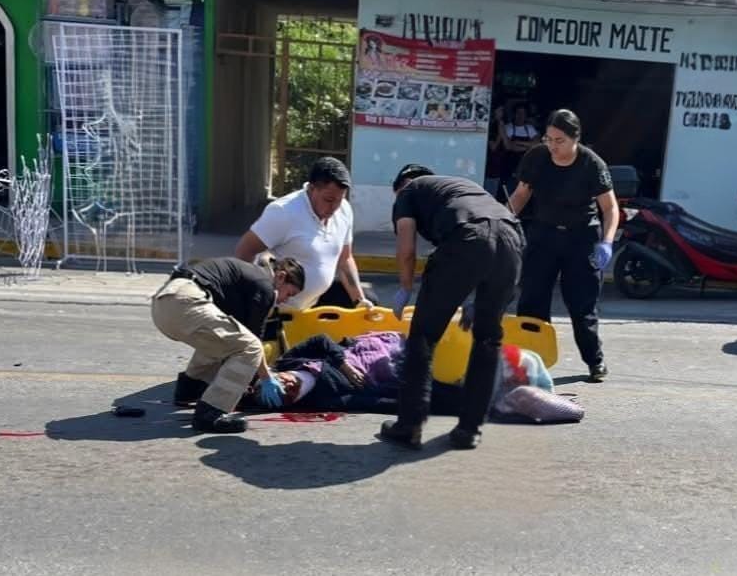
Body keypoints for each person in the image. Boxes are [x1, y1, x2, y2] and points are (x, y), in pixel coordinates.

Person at [379, 164, 525, 450]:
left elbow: (406, 247)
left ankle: (409, 426)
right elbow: (493, 234)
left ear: (400, 187)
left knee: (423, 337)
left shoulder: (408, 192)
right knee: (487, 339)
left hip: (466, 239)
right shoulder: (462, 186)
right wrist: (477, 302)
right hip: (511, 239)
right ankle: (469, 429)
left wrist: (405, 287)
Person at [507, 109, 618, 383]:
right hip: (543, 235)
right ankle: (529, 365)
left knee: (582, 306)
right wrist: (502, 221)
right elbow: (521, 196)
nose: (553, 146)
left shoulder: (592, 164)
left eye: (560, 141)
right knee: (532, 301)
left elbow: (610, 208)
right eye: (549, 139)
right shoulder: (537, 157)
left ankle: (595, 361)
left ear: (575, 139)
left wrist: (607, 242)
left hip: (581, 239)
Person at [150, 256, 305, 433]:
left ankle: (190, 389)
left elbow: (239, 336)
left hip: (163, 303)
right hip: (185, 302)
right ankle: (210, 413)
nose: (284, 300)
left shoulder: (248, 277)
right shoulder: (265, 286)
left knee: (226, 340)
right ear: (281, 277)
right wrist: (266, 378)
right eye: (289, 294)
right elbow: (254, 342)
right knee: (250, 347)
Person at [252, 331, 554, 415]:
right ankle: (497, 398)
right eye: (287, 393)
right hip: (387, 375)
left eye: (280, 383)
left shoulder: (289, 363)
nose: (287, 384)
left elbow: (320, 340)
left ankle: (499, 377)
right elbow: (369, 402)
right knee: (435, 394)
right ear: (291, 401)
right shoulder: (322, 398)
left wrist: (342, 362)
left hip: (376, 348)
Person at [234, 156, 377, 310]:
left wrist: (359, 300)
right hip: (282, 306)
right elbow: (244, 251)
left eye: (339, 200)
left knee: (369, 301)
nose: (334, 207)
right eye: (328, 200)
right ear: (311, 189)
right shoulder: (284, 212)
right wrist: (257, 297)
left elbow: (345, 258)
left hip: (315, 301)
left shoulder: (344, 210)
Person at [501, 102, 541, 194]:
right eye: (518, 113)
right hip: (510, 168)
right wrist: (528, 146)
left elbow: (537, 144)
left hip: (526, 170)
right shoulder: (508, 128)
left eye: (523, 113)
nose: (520, 116)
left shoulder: (530, 128)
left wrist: (518, 142)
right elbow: (509, 146)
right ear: (514, 114)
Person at [483, 104, 507, 198]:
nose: (501, 113)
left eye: (502, 111)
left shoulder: (502, 124)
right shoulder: (492, 126)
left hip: (498, 165)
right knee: (489, 193)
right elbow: (493, 147)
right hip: (490, 166)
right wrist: (501, 134)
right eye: (499, 111)